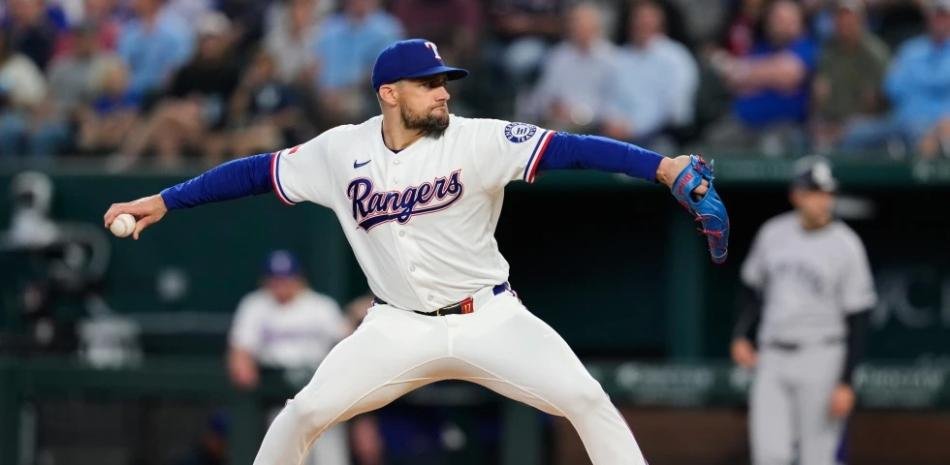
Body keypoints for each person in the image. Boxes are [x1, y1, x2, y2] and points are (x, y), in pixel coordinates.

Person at [104, 38, 729, 465]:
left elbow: (573, 148)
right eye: (428, 84)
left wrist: (662, 167)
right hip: (396, 328)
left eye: (444, 82)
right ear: (389, 94)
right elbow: (252, 173)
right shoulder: (339, 151)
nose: (443, 92)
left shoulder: (476, 139)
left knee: (588, 400)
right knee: (302, 414)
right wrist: (166, 199)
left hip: (491, 318)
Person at [731, 156, 875, 465]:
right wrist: (741, 336)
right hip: (772, 356)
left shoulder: (847, 244)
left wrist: (847, 381)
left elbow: (859, 316)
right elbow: (751, 289)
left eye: (827, 193)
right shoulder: (773, 233)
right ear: (797, 195)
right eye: (815, 192)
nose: (823, 200)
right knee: (769, 455)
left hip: (822, 355)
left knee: (817, 458)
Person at [228, 250, 351, 465]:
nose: (280, 284)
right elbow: (240, 351)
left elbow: (347, 342)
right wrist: (242, 365)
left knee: (330, 457)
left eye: (286, 279)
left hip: (319, 389)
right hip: (278, 394)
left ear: (299, 278)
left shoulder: (321, 306)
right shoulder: (255, 305)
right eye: (275, 279)